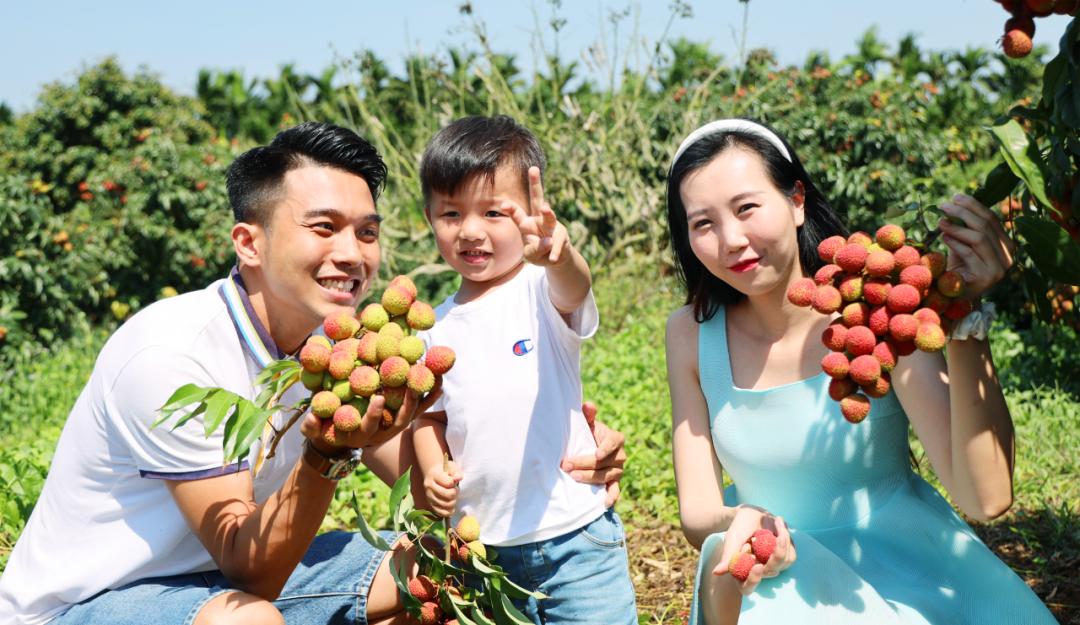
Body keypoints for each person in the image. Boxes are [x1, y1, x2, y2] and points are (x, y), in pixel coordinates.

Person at [0, 121, 626, 625]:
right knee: (244, 621)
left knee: (445, 567)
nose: (351, 255)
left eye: (367, 232)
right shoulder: (170, 358)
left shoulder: (332, 346)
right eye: (323, 228)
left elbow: (412, 462)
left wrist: (552, 451)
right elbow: (253, 574)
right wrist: (326, 454)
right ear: (249, 243)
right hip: (97, 601)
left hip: (223, 579)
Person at [663, 118, 1058, 625]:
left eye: (746, 208)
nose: (732, 240)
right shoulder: (691, 334)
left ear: (797, 200)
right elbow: (698, 512)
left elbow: (986, 498)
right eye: (703, 224)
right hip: (779, 581)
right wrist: (747, 523)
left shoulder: (875, 313)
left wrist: (966, 319)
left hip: (916, 575)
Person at [411, 115, 638, 625]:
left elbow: (574, 286)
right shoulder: (433, 329)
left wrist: (558, 256)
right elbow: (430, 417)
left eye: (494, 212)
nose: (470, 231)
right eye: (451, 213)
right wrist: (430, 467)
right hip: (483, 549)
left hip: (575, 541)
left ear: (532, 211)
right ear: (429, 217)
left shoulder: (540, 290)